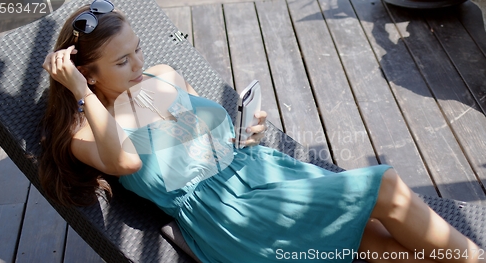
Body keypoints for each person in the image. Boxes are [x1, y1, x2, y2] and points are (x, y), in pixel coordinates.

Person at [40, 1, 485, 262]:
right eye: (121, 62)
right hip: (230, 216)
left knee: (377, 245)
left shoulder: (162, 76)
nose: (138, 65)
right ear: (85, 74)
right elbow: (126, 162)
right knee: (385, 186)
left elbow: (200, 137)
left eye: (137, 50)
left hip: (258, 173)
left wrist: (242, 135)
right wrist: (82, 94)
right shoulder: (87, 131)